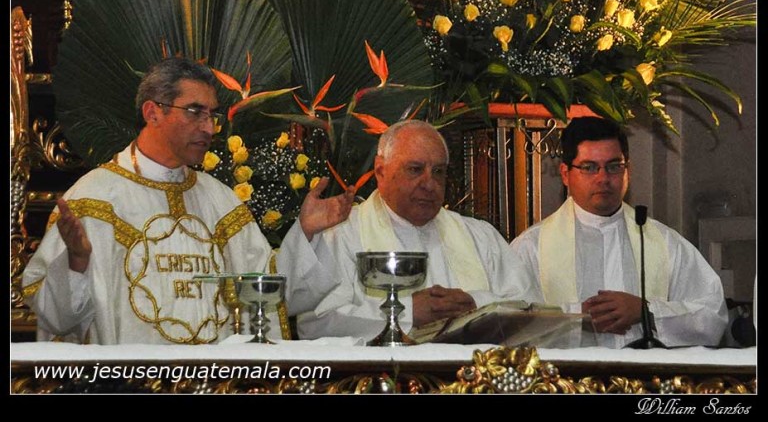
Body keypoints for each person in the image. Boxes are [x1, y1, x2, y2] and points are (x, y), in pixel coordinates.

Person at [22, 57, 352, 345]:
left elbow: (267, 292)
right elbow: (55, 318)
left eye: (212, 115)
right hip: (131, 384)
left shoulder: (220, 201)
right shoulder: (93, 200)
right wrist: (77, 261)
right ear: (152, 112)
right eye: (195, 112)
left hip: (216, 382)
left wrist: (305, 232)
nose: (209, 128)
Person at [280, 119, 540, 340]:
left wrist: (475, 304)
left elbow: (533, 311)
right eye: (415, 169)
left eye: (438, 172)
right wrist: (405, 312)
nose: (429, 184)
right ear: (380, 171)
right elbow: (318, 322)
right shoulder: (344, 234)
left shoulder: (479, 236)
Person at [511, 117, 728, 348]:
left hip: (646, 371)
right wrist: (577, 317)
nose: (603, 178)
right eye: (589, 167)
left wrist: (647, 312)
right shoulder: (532, 247)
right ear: (565, 174)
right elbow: (507, 324)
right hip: (564, 372)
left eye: (614, 166)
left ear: (628, 170)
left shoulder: (663, 242)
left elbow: (712, 316)